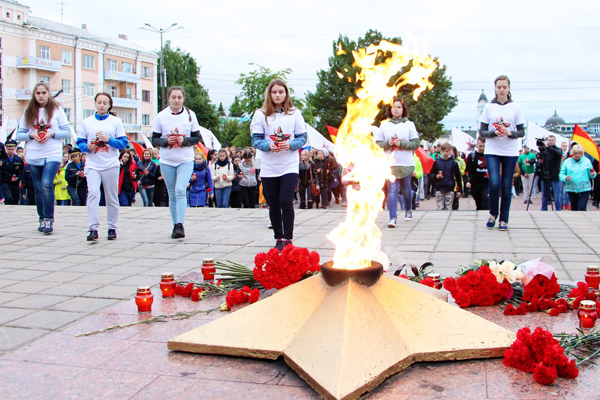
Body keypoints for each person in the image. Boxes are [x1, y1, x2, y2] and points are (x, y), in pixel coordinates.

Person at [251, 79, 307, 250]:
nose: (277, 95)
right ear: (269, 94)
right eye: (274, 92)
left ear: (286, 94)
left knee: (286, 200)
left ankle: (288, 238)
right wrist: (269, 146)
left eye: (280, 92)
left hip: (289, 163)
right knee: (274, 203)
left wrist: (290, 145)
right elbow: (256, 139)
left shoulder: (295, 113)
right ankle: (279, 237)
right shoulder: (261, 114)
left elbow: (303, 137)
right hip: (269, 166)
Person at [16, 82, 72, 233]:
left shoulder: (56, 110)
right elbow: (19, 134)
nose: (41, 96)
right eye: (38, 93)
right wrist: (31, 135)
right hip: (34, 154)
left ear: (48, 93)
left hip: (52, 152)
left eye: (43, 93)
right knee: (38, 188)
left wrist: (52, 133)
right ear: (34, 95)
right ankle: (41, 217)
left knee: (47, 184)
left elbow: (67, 132)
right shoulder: (29, 111)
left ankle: (48, 219)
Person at [77, 92, 128, 241]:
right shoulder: (87, 122)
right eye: (99, 102)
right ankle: (93, 228)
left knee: (111, 197)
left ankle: (112, 227)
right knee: (93, 193)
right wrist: (87, 147)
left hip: (110, 164)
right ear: (95, 103)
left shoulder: (115, 121)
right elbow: (79, 142)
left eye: (104, 103)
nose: (101, 105)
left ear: (109, 105)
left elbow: (123, 143)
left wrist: (108, 140)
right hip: (93, 164)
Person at [152, 86, 202, 239]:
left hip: (185, 159)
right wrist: (166, 141)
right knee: (172, 193)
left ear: (183, 99)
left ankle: (180, 224)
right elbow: (154, 139)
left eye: (179, 97)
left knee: (180, 189)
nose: (176, 100)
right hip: (167, 160)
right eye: (173, 97)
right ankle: (175, 224)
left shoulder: (190, 115)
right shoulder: (161, 116)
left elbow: (196, 137)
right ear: (168, 98)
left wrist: (185, 140)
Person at [478, 75, 525, 231]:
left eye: (504, 87)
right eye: (499, 87)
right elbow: (482, 131)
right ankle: (493, 213)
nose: (502, 89)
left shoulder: (515, 107)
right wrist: (493, 133)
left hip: (510, 151)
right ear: (495, 88)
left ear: (509, 88)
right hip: (492, 150)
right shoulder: (489, 107)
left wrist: (510, 133)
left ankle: (504, 219)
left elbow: (521, 131)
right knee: (495, 182)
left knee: (506, 185)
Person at [375, 97, 419, 227]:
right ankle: (392, 218)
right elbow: (378, 144)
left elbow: (415, 144)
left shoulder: (409, 124)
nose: (396, 109)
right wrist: (388, 143)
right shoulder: (384, 125)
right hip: (390, 164)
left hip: (405, 163)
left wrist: (401, 143)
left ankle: (408, 209)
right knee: (392, 190)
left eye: (399, 107)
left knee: (406, 190)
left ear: (403, 109)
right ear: (390, 109)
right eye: (394, 107)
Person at [559, 144, 596, 211]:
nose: (578, 155)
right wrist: (565, 177)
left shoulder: (586, 161)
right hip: (571, 188)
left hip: (584, 188)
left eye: (579, 153)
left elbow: (591, 174)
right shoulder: (567, 162)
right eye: (576, 153)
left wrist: (593, 174)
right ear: (572, 153)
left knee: (581, 207)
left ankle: (583, 220)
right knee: (574, 208)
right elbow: (561, 174)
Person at [431, 142, 462, 210]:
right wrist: (436, 176)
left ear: (450, 151)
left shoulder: (453, 163)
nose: (445, 153)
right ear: (441, 151)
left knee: (449, 207)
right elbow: (431, 173)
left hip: (450, 187)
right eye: (443, 151)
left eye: (447, 151)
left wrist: (459, 190)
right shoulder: (437, 162)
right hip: (439, 187)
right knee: (440, 207)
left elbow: (458, 176)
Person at [538, 135, 563, 211]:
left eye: (552, 140)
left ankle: (558, 209)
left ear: (555, 141)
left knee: (556, 195)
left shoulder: (558, 149)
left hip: (554, 175)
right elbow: (541, 160)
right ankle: (544, 209)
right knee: (544, 195)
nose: (551, 141)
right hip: (545, 175)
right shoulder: (545, 151)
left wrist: (548, 147)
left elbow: (557, 154)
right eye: (549, 140)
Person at [466, 137, 489, 210]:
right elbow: (467, 170)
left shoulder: (489, 155)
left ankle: (486, 216)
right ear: (477, 145)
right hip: (475, 183)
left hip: (487, 182)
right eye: (480, 146)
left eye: (484, 146)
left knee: (485, 200)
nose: (482, 148)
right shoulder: (471, 156)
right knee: (479, 203)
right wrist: (467, 181)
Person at [0, 140, 23, 205]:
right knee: (8, 198)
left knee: (15, 199)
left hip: (15, 182)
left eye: (12, 149)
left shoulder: (19, 159)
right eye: (9, 149)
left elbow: (22, 172)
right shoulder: (2, 160)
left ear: (15, 149)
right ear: (6, 149)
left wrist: (18, 178)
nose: (11, 151)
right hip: (5, 181)